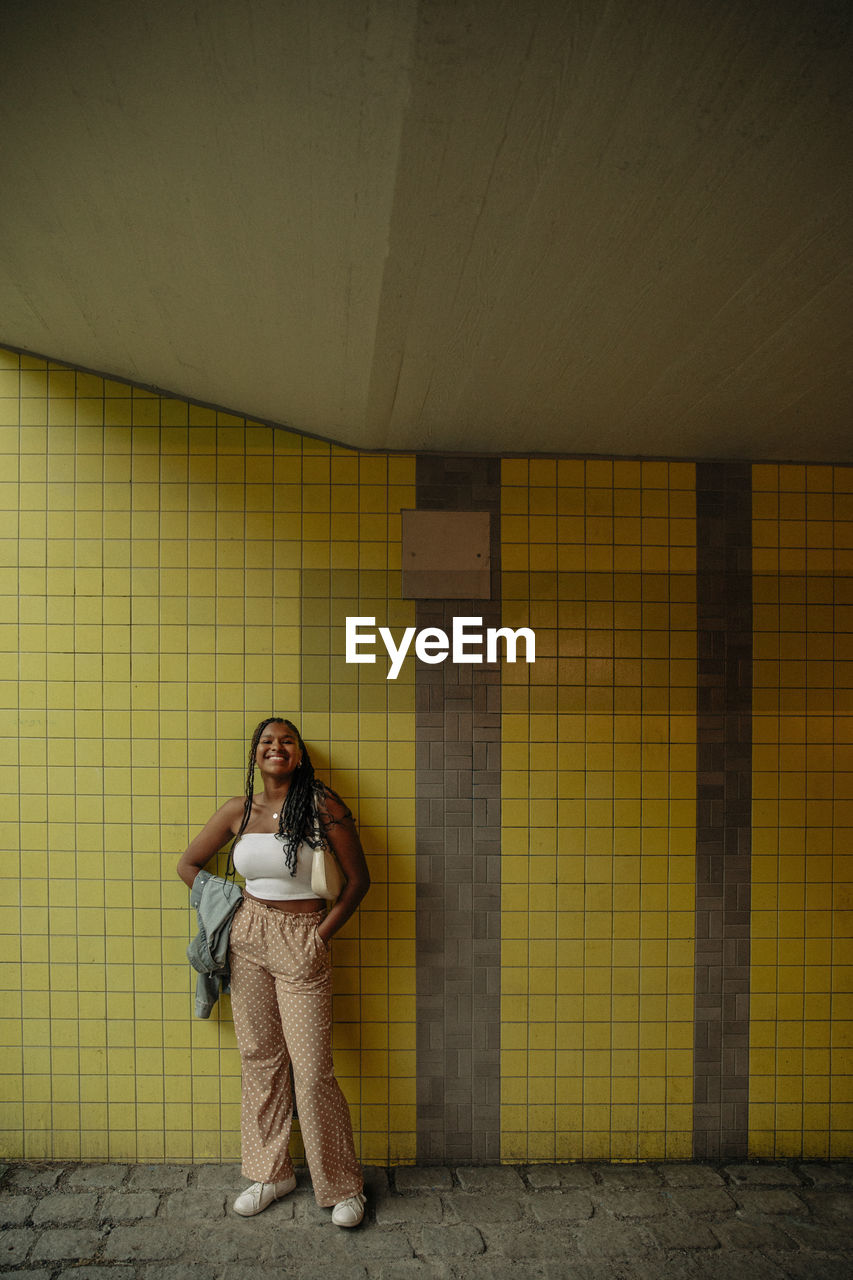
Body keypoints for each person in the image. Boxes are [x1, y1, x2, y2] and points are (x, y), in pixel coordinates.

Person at [177, 716, 370, 1227]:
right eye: (266, 741)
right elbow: (188, 865)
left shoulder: (321, 806)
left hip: (303, 937)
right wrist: (230, 906)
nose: (275, 747)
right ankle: (270, 1173)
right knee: (260, 1060)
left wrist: (319, 936)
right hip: (249, 936)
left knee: (311, 1072)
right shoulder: (238, 811)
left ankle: (343, 1186)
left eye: (286, 741)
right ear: (256, 755)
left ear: (299, 756)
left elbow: (358, 880)